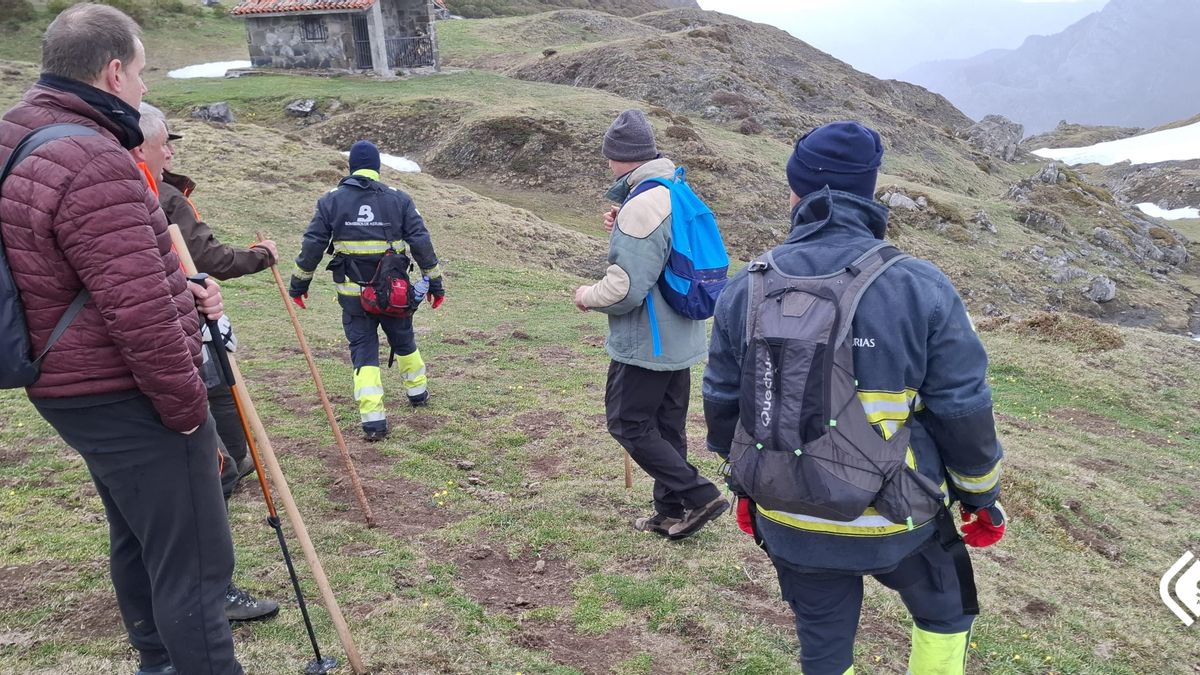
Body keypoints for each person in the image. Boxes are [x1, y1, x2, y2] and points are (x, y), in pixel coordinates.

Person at [702, 121, 1005, 675]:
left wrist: (744, 487)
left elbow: (724, 403)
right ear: (868, 191)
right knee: (947, 612)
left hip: (788, 514)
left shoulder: (746, 285)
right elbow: (962, 409)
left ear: (796, 192)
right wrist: (981, 497)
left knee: (822, 645)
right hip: (899, 518)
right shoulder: (919, 285)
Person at [0, 4, 243, 674]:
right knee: (195, 561)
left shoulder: (18, 132)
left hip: (64, 378)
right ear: (113, 72)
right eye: (140, 72)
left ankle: (157, 662)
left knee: (140, 535)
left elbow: (74, 267)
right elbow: (137, 311)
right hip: (123, 387)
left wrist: (180, 288)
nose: (143, 86)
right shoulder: (92, 157)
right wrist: (188, 412)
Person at [132, 103, 280, 624]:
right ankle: (206, 585)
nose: (171, 154)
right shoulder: (153, 193)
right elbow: (207, 258)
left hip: (165, 338)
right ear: (140, 146)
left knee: (215, 427)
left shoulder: (145, 188)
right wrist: (261, 256)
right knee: (209, 462)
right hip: (174, 340)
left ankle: (227, 471)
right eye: (164, 145)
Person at [574, 109, 728, 541]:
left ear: (616, 156)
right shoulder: (673, 188)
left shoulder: (643, 205)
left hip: (648, 341)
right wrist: (624, 219)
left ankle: (700, 496)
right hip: (680, 337)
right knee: (665, 427)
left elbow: (624, 289)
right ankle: (669, 511)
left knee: (628, 423)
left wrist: (586, 295)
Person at [288, 140, 444, 441]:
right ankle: (418, 393)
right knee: (404, 339)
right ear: (376, 167)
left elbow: (312, 246)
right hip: (395, 295)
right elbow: (421, 244)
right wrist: (435, 284)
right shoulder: (399, 200)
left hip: (353, 299)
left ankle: (373, 421)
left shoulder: (330, 201)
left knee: (363, 352)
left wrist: (299, 284)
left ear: (351, 168)